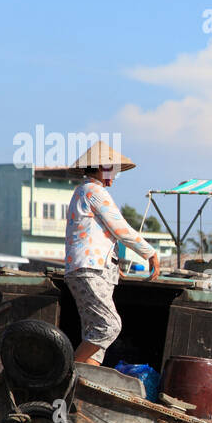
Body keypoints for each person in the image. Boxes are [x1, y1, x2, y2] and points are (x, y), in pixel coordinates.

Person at [64, 143, 159, 366]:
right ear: (101, 168)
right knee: (109, 325)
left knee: (95, 339)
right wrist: (150, 253)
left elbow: (102, 235)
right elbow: (121, 229)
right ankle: (65, 372)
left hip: (90, 269)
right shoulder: (94, 191)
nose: (115, 175)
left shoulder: (84, 191)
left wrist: (115, 267)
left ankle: (80, 384)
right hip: (89, 269)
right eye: (112, 169)